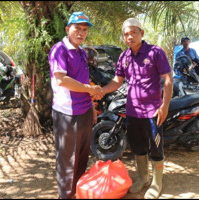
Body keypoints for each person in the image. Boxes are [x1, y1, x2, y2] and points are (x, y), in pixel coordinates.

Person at [101, 18, 173, 199]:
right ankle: (143, 178)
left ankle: (157, 183)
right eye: (126, 34)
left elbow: (168, 79)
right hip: (133, 112)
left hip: (153, 112)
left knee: (155, 148)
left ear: (142, 33)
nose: (129, 36)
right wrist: (100, 91)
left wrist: (164, 105)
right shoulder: (124, 57)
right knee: (138, 147)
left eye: (133, 32)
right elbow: (117, 81)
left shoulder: (155, 52)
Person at [48, 11, 104, 199]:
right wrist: (90, 89)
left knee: (81, 158)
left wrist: (92, 107)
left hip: (85, 112)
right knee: (66, 162)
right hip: (66, 115)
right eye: (77, 28)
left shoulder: (81, 51)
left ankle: (78, 193)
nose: (81, 33)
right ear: (67, 29)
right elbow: (62, 80)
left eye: (84, 29)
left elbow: (82, 79)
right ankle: (65, 196)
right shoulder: (59, 50)